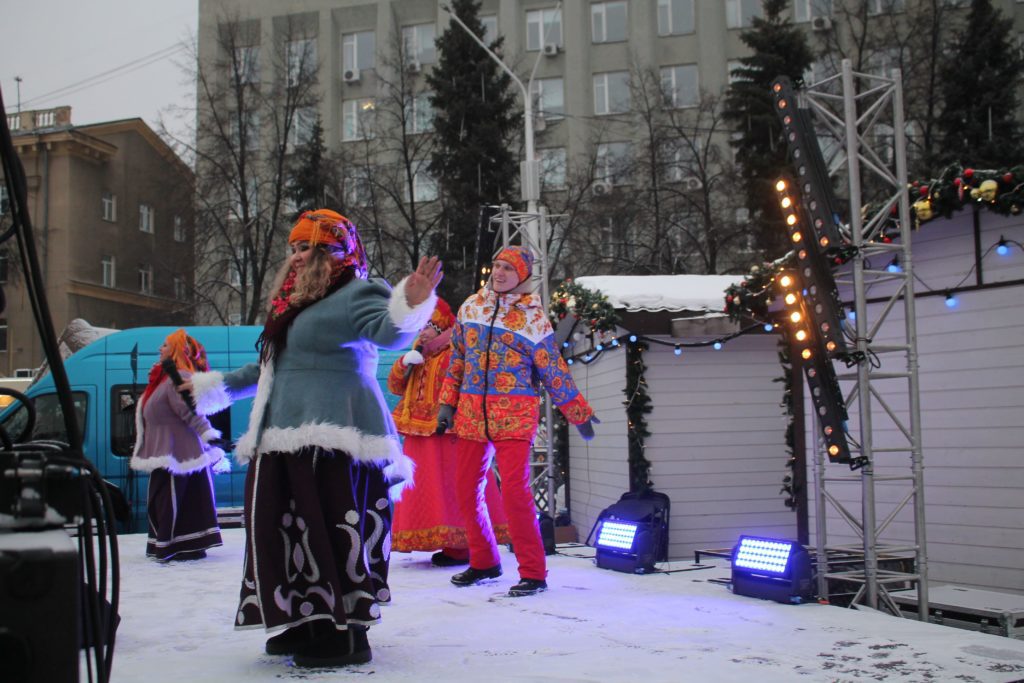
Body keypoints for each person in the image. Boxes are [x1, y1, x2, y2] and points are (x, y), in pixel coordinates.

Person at [185, 210, 442, 668]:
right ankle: (306, 620)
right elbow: (267, 369)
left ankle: (345, 636)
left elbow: (388, 332)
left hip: (334, 438)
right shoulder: (292, 306)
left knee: (330, 529)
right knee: (289, 532)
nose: (298, 256)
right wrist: (213, 387)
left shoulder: (355, 291)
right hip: (283, 437)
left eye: (308, 248)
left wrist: (412, 303)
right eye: (295, 248)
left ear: (333, 252)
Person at [437, 246, 598, 597]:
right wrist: (447, 403)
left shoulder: (533, 318)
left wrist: (577, 411)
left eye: (508, 268)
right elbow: (458, 360)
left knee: (515, 493)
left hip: (515, 414)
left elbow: (553, 368)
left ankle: (533, 571)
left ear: (522, 275)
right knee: (466, 490)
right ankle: (484, 561)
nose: (499, 272)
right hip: (471, 414)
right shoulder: (470, 307)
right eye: (496, 265)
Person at [387, 298, 511, 567]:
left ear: (440, 325)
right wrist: (404, 363)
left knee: (453, 486)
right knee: (429, 489)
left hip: (449, 431)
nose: (422, 332)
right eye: (420, 327)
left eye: (427, 326)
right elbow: (396, 387)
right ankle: (447, 541)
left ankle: (462, 545)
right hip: (418, 432)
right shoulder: (420, 353)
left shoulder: (454, 352)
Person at [130, 329, 225, 562]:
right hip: (167, 454)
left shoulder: (178, 377)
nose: (159, 349)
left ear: (175, 350)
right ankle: (170, 545)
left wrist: (208, 434)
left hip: (180, 456)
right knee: (161, 502)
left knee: (170, 502)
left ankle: (178, 546)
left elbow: (191, 413)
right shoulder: (164, 379)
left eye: (164, 345)